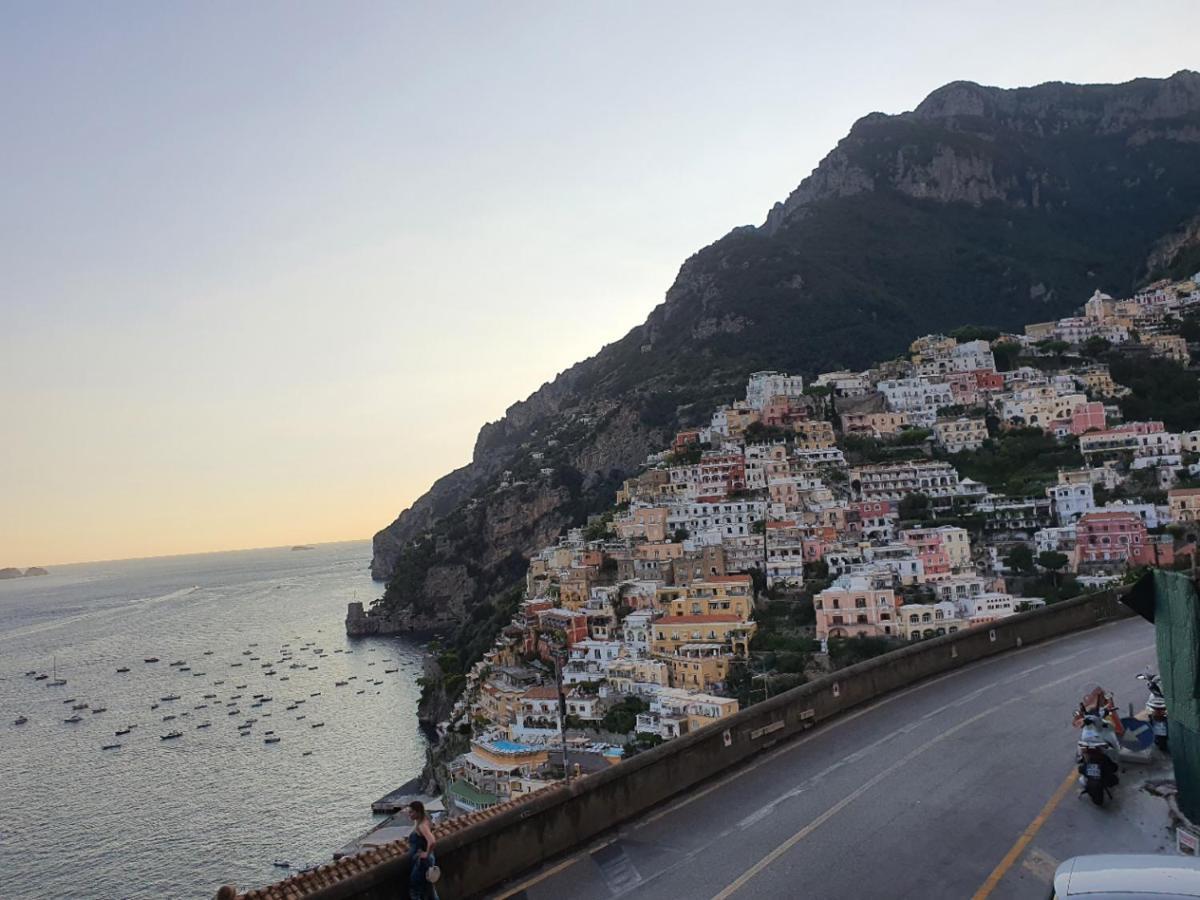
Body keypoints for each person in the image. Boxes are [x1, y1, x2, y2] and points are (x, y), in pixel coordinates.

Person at [407, 800, 439, 900]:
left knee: (415, 890)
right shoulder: (425, 819)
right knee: (430, 890)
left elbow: (432, 841)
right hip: (428, 860)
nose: (409, 814)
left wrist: (426, 854)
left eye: (411, 812)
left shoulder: (422, 826)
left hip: (422, 862)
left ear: (418, 812)